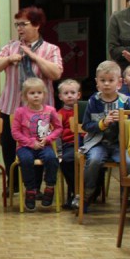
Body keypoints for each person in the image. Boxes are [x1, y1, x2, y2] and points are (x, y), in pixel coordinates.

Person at [0, 6, 63, 170]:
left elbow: (56, 73)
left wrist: (34, 57)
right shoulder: (11, 46)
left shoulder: (51, 49)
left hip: (40, 111)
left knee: (38, 147)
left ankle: (33, 188)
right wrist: (8, 59)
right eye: (17, 25)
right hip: (12, 107)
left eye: (23, 24)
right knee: (9, 146)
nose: (19, 29)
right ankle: (12, 186)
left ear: (36, 25)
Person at [80, 61, 130, 212]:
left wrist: (124, 122)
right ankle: (87, 195)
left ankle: (128, 198)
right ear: (97, 83)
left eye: (111, 80)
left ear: (119, 83)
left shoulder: (127, 102)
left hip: (121, 144)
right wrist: (102, 123)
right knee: (93, 160)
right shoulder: (94, 101)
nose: (106, 84)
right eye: (103, 80)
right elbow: (86, 125)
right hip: (98, 143)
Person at [12, 78, 62, 211]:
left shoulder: (50, 110)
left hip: (45, 145)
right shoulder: (20, 112)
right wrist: (30, 142)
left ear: (44, 95)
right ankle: (30, 189)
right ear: (25, 96)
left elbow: (58, 128)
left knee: (52, 159)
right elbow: (15, 132)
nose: (36, 95)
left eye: (39, 92)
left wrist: (49, 138)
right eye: (32, 93)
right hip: (25, 147)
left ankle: (50, 187)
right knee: (26, 159)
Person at [57, 79, 82, 209]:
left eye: (73, 92)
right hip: (69, 145)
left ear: (79, 95)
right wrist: (59, 152)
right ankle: (75, 191)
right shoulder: (59, 114)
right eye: (66, 93)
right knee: (66, 161)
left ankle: (86, 192)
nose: (70, 95)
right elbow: (57, 134)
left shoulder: (84, 110)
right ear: (60, 96)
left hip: (85, 144)